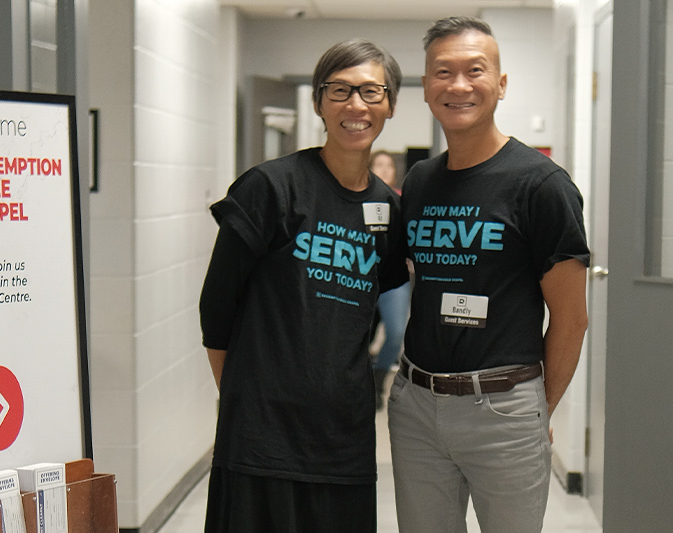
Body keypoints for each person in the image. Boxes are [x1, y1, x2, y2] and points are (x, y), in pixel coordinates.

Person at [387, 16, 589, 533]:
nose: (458, 85)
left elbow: (571, 319)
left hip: (504, 409)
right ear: (427, 87)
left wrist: (534, 411)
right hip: (416, 408)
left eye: (474, 70)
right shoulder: (421, 180)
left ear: (500, 84)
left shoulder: (541, 185)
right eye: (442, 72)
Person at [199, 39, 407, 532]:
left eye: (371, 91)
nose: (356, 105)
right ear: (318, 102)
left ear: (390, 105)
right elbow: (216, 305)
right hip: (260, 437)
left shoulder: (389, 211)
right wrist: (245, 399)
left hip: (344, 438)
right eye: (340, 90)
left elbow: (376, 306)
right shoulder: (271, 188)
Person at [368, 150, 411, 409]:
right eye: (379, 165)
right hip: (360, 276)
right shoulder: (356, 197)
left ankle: (378, 380)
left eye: (388, 165)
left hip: (394, 279)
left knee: (396, 333)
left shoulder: (403, 201)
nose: (384, 169)